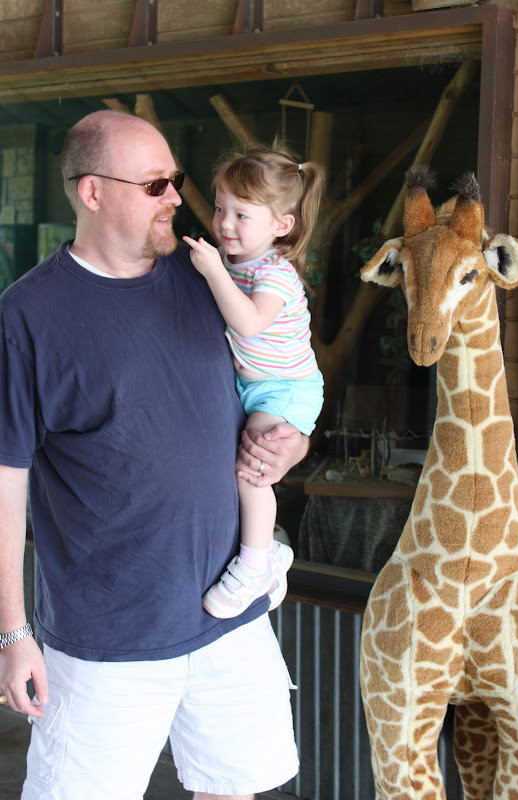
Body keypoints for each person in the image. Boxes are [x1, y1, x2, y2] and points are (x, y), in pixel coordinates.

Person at [0, 110, 309, 800]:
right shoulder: (25, 318)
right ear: (92, 192)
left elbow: (280, 381)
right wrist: (12, 634)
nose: (176, 197)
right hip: (107, 638)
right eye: (154, 185)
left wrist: (292, 443)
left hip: (229, 618)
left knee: (238, 791)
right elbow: (5, 484)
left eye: (175, 180)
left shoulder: (210, 282)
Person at [183, 145, 324, 619]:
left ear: (281, 225)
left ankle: (257, 564)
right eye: (220, 208)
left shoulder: (275, 273)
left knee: (251, 468)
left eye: (242, 214)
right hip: (255, 384)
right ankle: (266, 552)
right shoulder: (235, 262)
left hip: (285, 387)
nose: (225, 223)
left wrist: (212, 272)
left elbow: (248, 323)